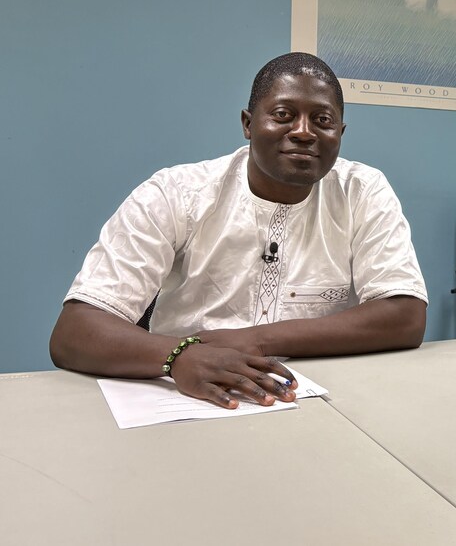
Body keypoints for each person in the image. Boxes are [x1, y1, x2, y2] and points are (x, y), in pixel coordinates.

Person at [50, 52, 428, 408]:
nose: (303, 132)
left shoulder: (362, 190)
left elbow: (405, 315)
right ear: (248, 124)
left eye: (322, 120)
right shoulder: (175, 194)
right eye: (283, 114)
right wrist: (177, 355)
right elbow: (74, 333)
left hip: (317, 399)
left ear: (340, 133)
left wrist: (254, 341)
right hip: (187, 396)